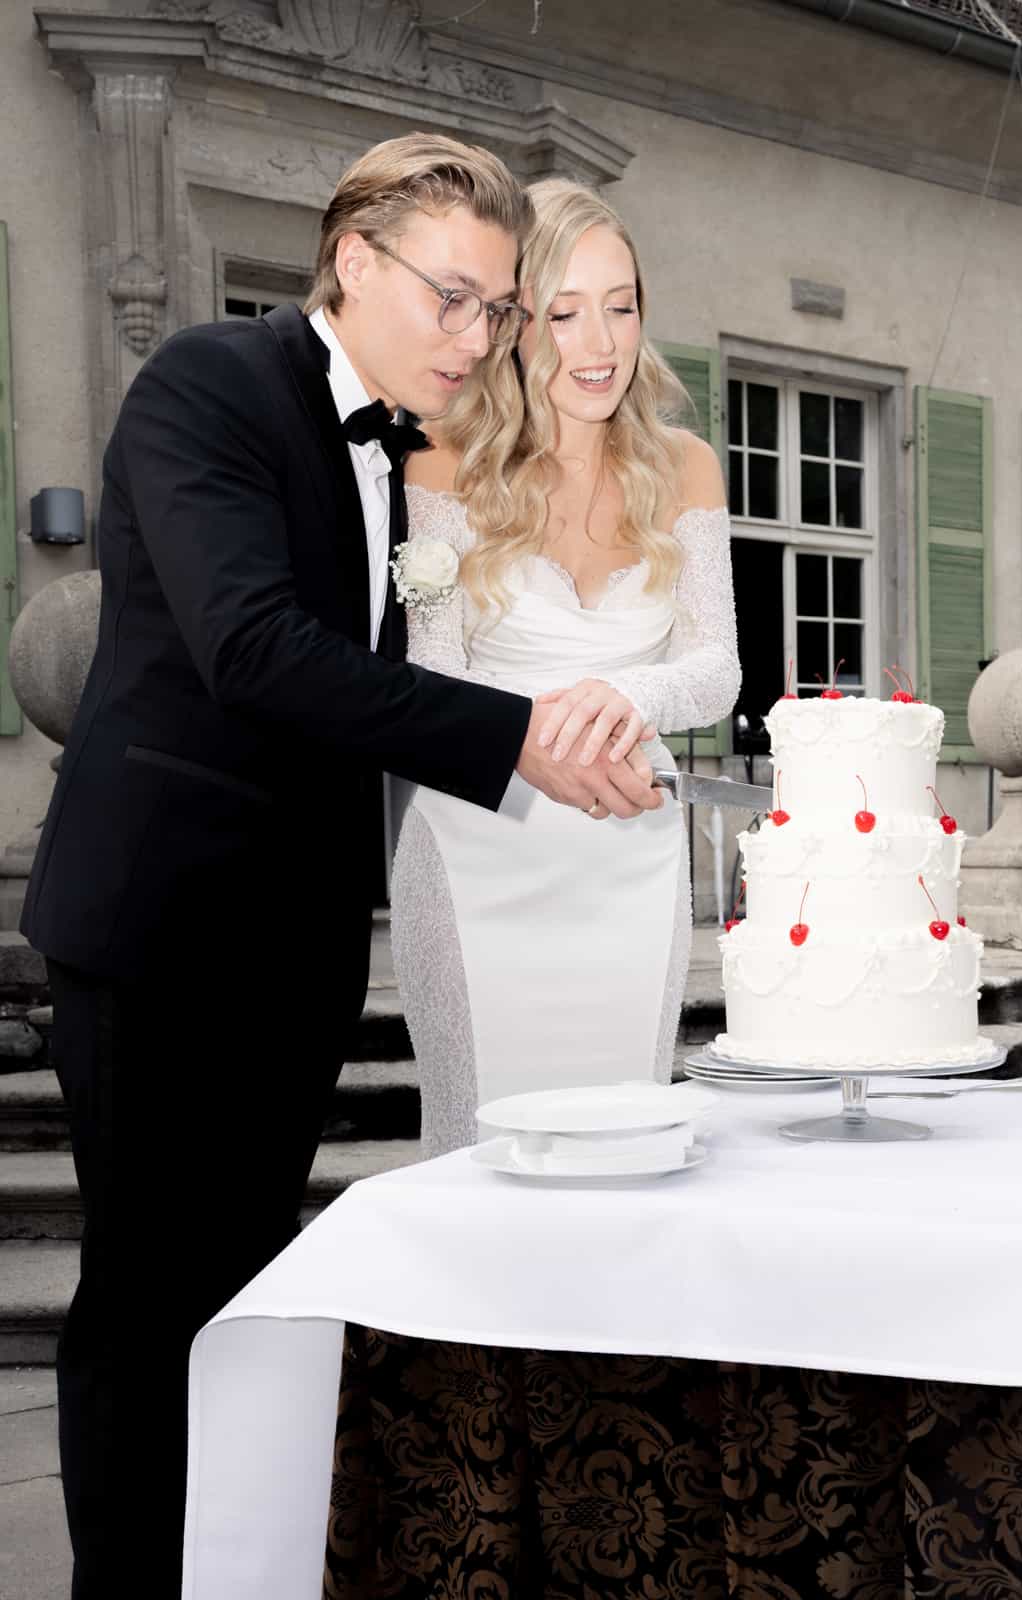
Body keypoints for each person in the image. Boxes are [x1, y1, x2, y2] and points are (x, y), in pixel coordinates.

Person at [20, 136, 662, 1600]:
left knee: (250, 1282)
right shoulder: (205, 385)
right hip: (158, 928)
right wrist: (518, 743)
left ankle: (234, 1569)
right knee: (144, 1302)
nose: (477, 338)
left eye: (498, 311)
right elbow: (252, 653)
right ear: (353, 262)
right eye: (454, 298)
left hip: (300, 939)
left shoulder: (405, 447)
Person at [391, 178, 741, 1155]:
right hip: (478, 852)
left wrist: (623, 693)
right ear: (515, 324)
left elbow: (715, 668)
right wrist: (539, 727)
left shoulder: (685, 467)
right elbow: (430, 674)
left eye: (621, 307)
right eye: (564, 312)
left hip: (629, 859)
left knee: (624, 1140)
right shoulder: (439, 461)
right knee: (478, 1148)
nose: (599, 344)